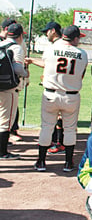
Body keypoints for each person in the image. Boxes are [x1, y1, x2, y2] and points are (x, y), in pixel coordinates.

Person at [34, 25, 88, 172]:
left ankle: (41, 162)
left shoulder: (50, 49)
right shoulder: (82, 54)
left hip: (51, 93)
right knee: (70, 129)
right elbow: (81, 75)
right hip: (71, 95)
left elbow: (45, 66)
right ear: (75, 38)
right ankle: (68, 163)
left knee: (47, 127)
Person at [26, 22, 65, 154]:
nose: (46, 34)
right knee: (63, 120)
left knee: (50, 122)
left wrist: (31, 61)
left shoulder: (53, 47)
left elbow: (46, 64)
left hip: (54, 89)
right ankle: (61, 145)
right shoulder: (69, 46)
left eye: (47, 31)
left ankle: (47, 151)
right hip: (69, 88)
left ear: (53, 31)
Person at [0, 23, 29, 160]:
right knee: (6, 121)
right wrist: (26, 73)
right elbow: (18, 69)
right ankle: (3, 152)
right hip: (8, 88)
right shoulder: (16, 47)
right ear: (21, 35)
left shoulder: (1, 43)